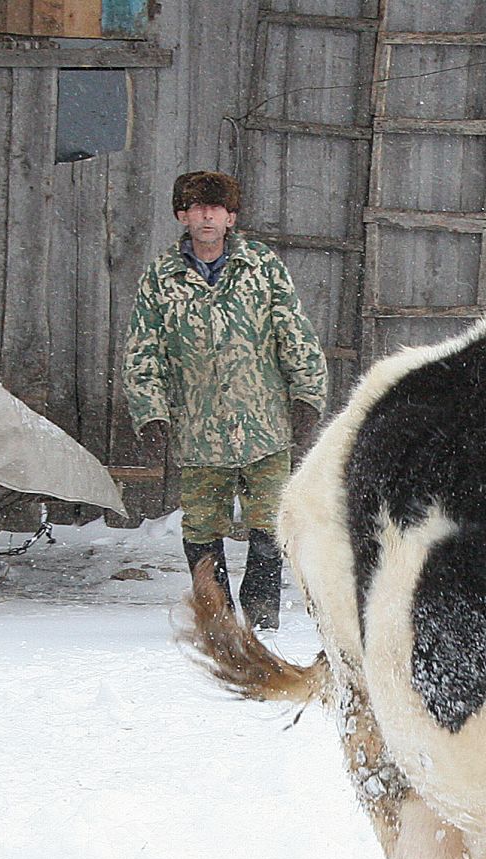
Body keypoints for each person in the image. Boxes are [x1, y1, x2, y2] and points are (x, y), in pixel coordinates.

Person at [122, 170, 328, 630]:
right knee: (201, 526)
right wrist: (150, 414)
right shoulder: (161, 277)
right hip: (199, 428)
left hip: (264, 423)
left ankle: (261, 618)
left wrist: (307, 395)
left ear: (231, 217)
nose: (206, 215)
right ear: (182, 215)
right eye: (197, 207)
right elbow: (143, 350)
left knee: (269, 522)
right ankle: (216, 619)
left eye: (216, 208)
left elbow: (294, 332)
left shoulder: (261, 267)